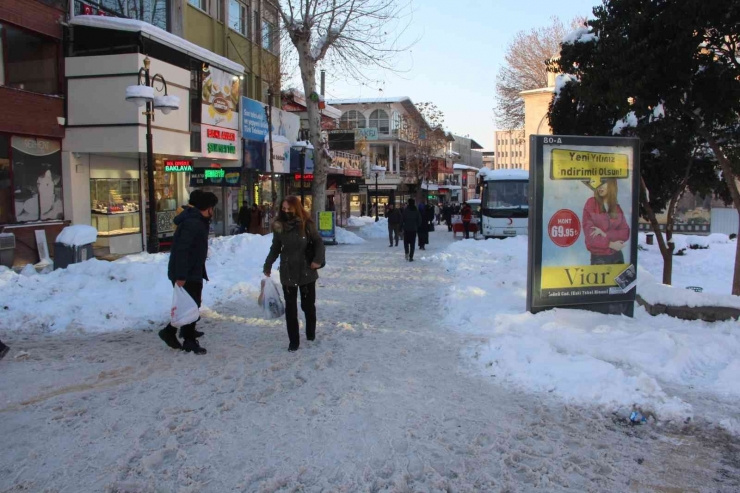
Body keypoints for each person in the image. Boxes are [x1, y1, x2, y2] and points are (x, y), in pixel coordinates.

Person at [158, 190, 218, 355]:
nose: (213, 210)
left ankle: (183, 332)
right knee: (191, 306)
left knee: (192, 304)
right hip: (186, 272)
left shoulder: (197, 220)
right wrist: (182, 276)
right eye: (213, 207)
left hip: (191, 270)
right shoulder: (193, 223)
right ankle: (184, 339)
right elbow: (182, 250)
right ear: (207, 207)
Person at [263, 195, 326, 352]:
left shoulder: (306, 224)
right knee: (291, 308)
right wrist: (268, 263)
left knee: (308, 306)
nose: (286, 212)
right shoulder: (279, 226)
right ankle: (294, 341)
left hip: (307, 271)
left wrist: (317, 260)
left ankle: (310, 332)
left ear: (296, 209)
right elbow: (275, 247)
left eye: (289, 209)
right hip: (288, 271)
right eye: (283, 209)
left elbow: (318, 242)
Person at [583, 179, 630, 265]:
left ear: (612, 184)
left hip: (617, 257)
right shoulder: (591, 204)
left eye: (603, 182)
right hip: (599, 258)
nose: (600, 186)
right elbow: (591, 237)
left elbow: (625, 232)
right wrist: (611, 244)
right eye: (598, 182)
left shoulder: (616, 208)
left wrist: (605, 234)